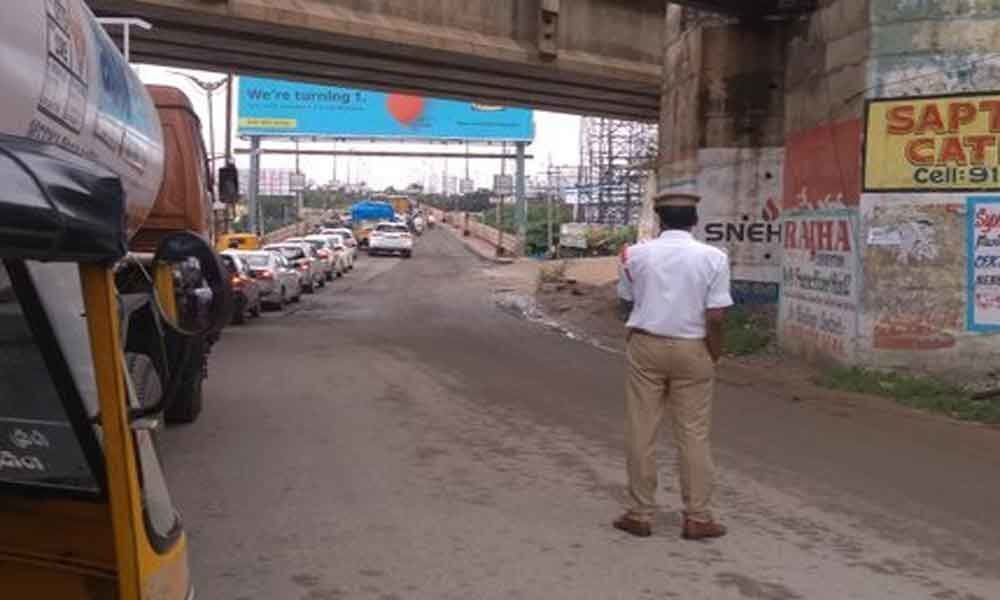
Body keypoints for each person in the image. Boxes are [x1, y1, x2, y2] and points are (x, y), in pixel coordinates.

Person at [613, 192, 732, 540]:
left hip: (645, 345)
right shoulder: (714, 258)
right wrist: (714, 351)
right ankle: (697, 517)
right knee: (693, 434)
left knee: (641, 429)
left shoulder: (633, 255)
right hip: (693, 348)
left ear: (659, 220)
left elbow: (626, 301)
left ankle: (639, 513)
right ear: (694, 221)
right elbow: (717, 315)